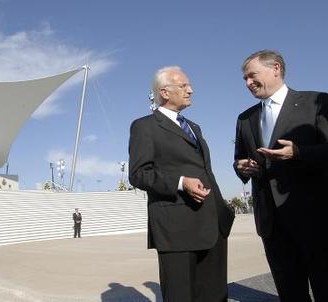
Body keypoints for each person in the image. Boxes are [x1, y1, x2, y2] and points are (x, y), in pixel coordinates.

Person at [129, 66, 235, 302]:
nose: (191, 90)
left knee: (215, 295)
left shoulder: (194, 127)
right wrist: (180, 182)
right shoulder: (144, 126)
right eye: (184, 86)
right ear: (165, 92)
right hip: (176, 228)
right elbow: (138, 174)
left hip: (213, 224)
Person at [234, 49, 328, 302]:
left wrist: (299, 153)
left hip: (316, 217)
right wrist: (242, 167)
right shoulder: (245, 118)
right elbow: (239, 157)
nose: (247, 83)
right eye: (244, 79)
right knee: (290, 292)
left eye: (252, 76)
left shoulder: (317, 102)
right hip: (271, 222)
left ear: (276, 68)